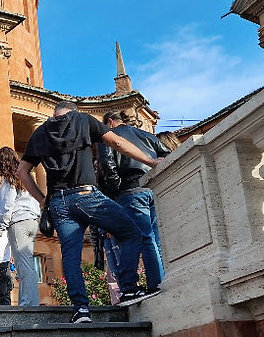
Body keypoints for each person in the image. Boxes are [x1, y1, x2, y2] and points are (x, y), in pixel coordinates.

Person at [17, 101, 163, 324]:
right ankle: (129, 288)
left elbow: (22, 171)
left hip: (58, 203)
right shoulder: (83, 120)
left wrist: (42, 200)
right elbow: (118, 142)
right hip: (87, 196)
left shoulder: (40, 133)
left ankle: (81, 310)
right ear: (72, 112)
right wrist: (151, 161)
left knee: (71, 256)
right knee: (131, 232)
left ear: (54, 113)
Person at [98, 111, 171, 296]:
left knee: (142, 239)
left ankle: (156, 286)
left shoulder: (109, 137)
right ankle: (160, 282)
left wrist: (115, 189)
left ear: (110, 122)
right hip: (151, 189)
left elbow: (107, 165)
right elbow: (167, 153)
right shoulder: (147, 136)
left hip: (129, 191)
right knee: (154, 239)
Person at [0, 146, 41, 307]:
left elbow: (7, 207)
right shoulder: (26, 178)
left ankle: (27, 303)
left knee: (23, 265)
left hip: (19, 222)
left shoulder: (9, 181)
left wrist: (0, 228)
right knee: (28, 264)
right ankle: (29, 301)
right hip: (32, 221)